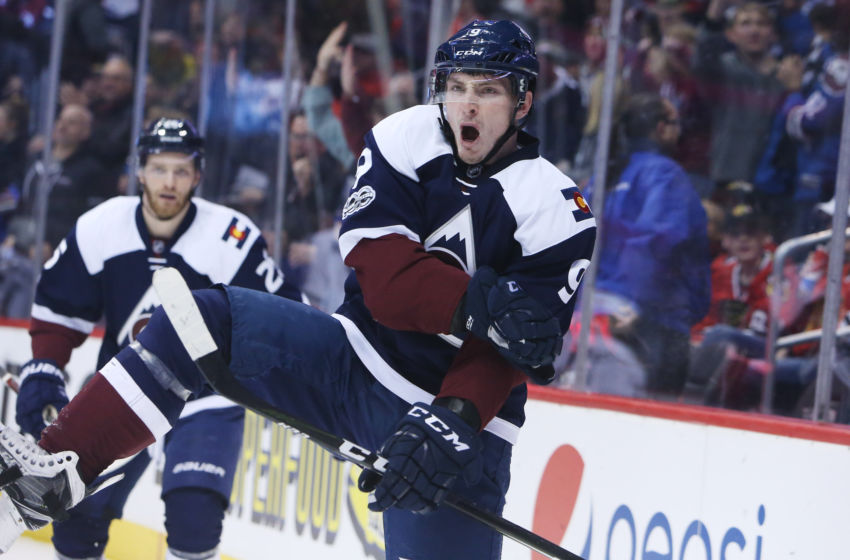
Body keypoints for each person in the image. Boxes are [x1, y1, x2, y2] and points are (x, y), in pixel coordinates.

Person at [0, 20, 596, 560]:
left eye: (487, 90)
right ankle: (52, 477)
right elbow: (381, 273)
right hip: (352, 364)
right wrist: (480, 303)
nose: (466, 104)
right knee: (201, 320)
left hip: (462, 423)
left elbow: (513, 349)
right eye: (456, 85)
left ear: (522, 100)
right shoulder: (403, 137)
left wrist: (454, 418)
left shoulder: (560, 212)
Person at [12, 118, 303, 560]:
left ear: (198, 175)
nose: (170, 182)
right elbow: (58, 311)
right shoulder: (101, 225)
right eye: (159, 168)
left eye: (181, 170)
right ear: (140, 170)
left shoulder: (233, 236)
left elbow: (285, 315)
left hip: (206, 396)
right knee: (75, 521)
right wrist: (44, 367)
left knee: (195, 518)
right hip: (123, 388)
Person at [589, 93, 711, 398]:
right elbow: (656, 243)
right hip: (648, 322)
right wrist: (628, 305)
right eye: (675, 122)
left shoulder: (602, 175)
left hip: (596, 314)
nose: (680, 130)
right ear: (661, 128)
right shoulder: (664, 174)